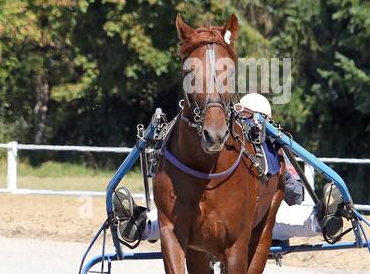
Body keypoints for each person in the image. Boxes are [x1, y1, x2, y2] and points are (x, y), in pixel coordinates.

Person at [112, 92, 347, 246]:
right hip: (256, 217)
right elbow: (296, 193)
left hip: (211, 214)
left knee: (176, 217)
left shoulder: (221, 137)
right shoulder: (272, 146)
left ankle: (140, 224)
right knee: (291, 218)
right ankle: (322, 219)